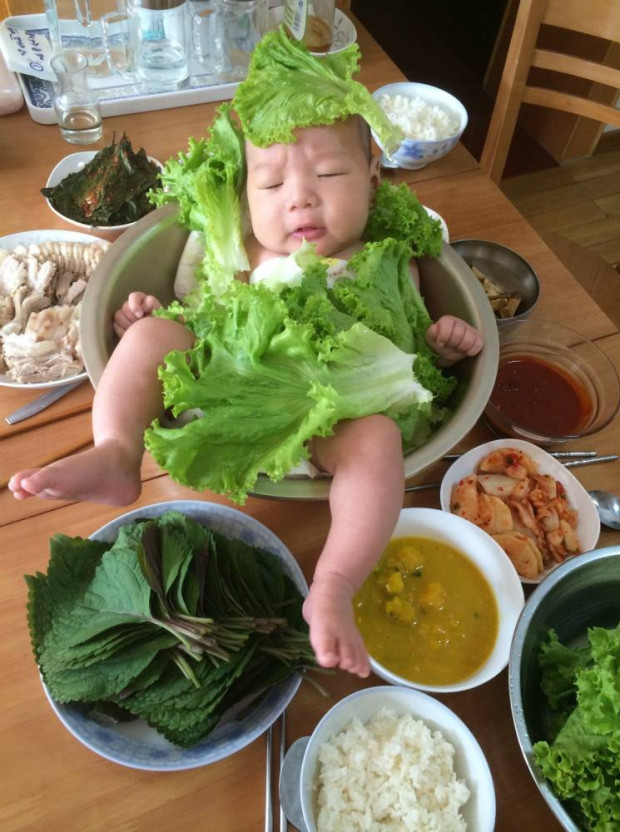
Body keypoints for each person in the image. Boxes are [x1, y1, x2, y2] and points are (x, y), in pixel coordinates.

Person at [9, 116, 483, 678]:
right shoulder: (244, 252)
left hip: (331, 416)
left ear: (374, 180)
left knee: (377, 440)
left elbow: (413, 355)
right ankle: (115, 452)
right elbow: (201, 318)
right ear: (245, 195)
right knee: (152, 338)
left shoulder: (391, 257)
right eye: (273, 184)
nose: (300, 199)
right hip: (231, 395)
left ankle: (334, 582)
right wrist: (149, 317)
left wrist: (443, 348)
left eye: (330, 174)